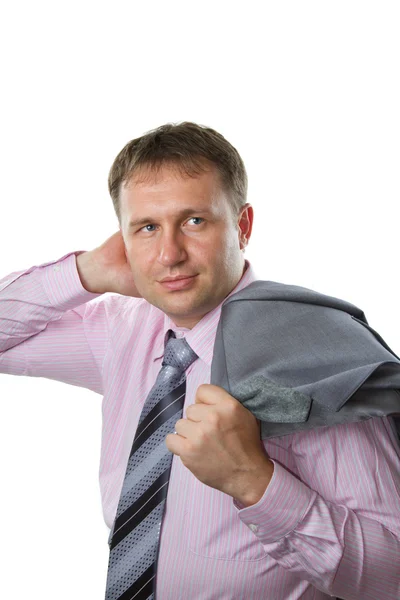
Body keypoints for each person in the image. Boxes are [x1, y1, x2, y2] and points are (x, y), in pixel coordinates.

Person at [1, 121, 399, 600]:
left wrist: (255, 483)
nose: (169, 254)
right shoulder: (122, 329)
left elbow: (391, 576)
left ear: (242, 226)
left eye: (194, 221)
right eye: (147, 228)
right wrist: (84, 272)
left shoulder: (315, 358)